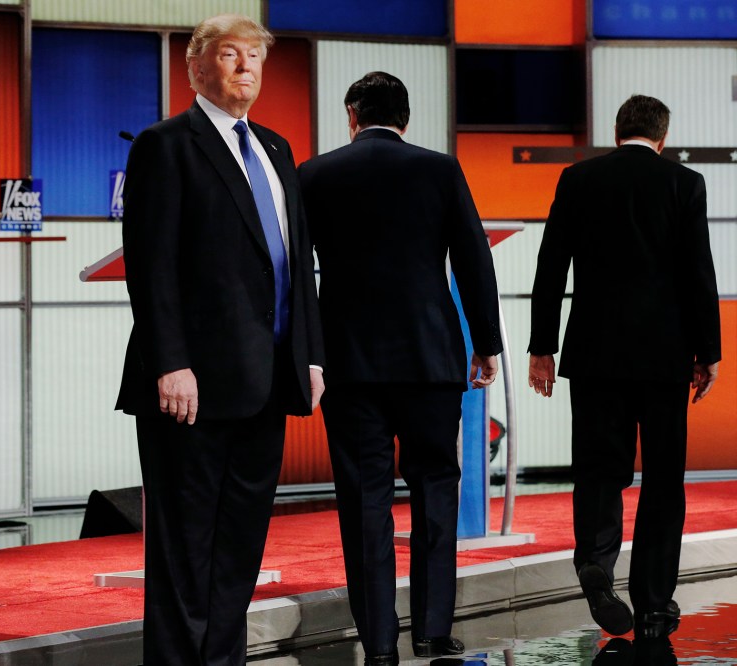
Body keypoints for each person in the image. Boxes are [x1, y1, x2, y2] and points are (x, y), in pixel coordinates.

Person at [115, 14, 325, 666]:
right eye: (230, 55)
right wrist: (170, 363)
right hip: (192, 387)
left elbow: (296, 264)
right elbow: (151, 265)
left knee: (239, 543)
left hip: (267, 378)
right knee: (185, 548)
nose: (245, 67)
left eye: (255, 57)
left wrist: (311, 353)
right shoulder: (165, 144)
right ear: (196, 67)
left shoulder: (277, 148)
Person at [298, 71, 502, 663]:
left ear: (352, 115)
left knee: (364, 500)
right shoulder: (439, 169)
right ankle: (434, 629)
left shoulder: (314, 173)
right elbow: (472, 259)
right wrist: (485, 343)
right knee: (436, 486)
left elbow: (292, 272)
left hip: (348, 363)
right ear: (406, 119)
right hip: (429, 359)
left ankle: (380, 643)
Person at [528, 94, 720, 640]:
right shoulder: (684, 184)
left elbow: (551, 265)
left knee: (597, 468)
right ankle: (655, 602)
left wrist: (542, 347)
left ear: (618, 132)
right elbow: (697, 273)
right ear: (662, 137)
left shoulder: (578, 179)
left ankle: (595, 560)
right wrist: (708, 352)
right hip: (663, 358)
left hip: (593, 355)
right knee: (664, 480)